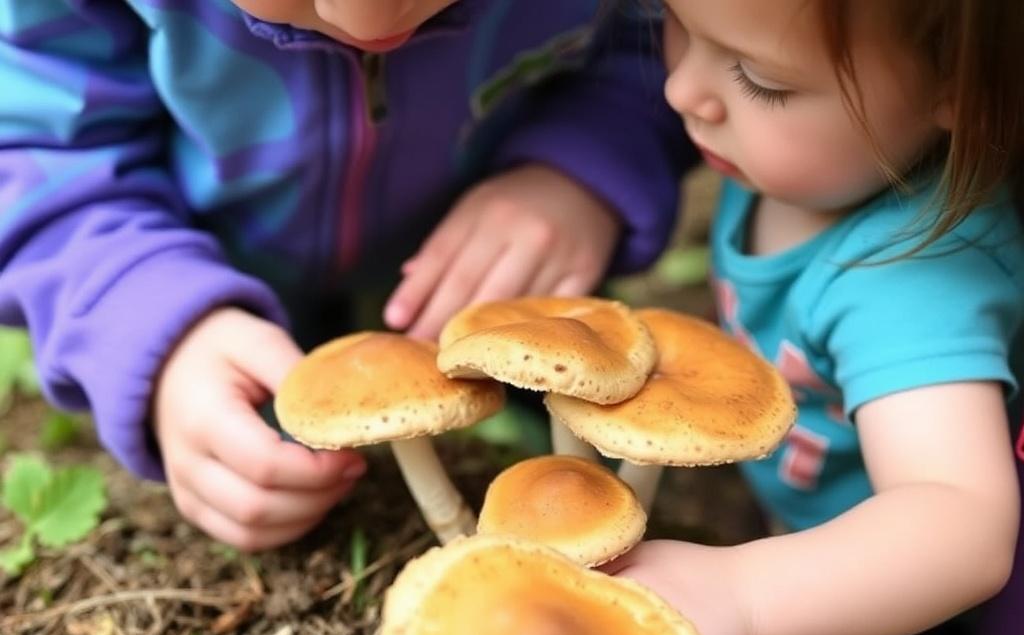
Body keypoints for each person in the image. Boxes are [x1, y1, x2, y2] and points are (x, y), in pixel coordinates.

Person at [0, 1, 690, 551]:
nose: (371, 20)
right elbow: (33, 149)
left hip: (511, 277)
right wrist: (151, 314)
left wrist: (583, 167)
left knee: (575, 464)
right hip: (230, 294)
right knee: (283, 460)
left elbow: (669, 37)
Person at [600, 0, 1024, 635]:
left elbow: (961, 524)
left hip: (920, 607)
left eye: (761, 79)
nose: (683, 89)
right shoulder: (806, 155)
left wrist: (742, 594)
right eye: (676, 23)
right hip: (813, 533)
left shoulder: (908, 284)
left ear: (965, 89)